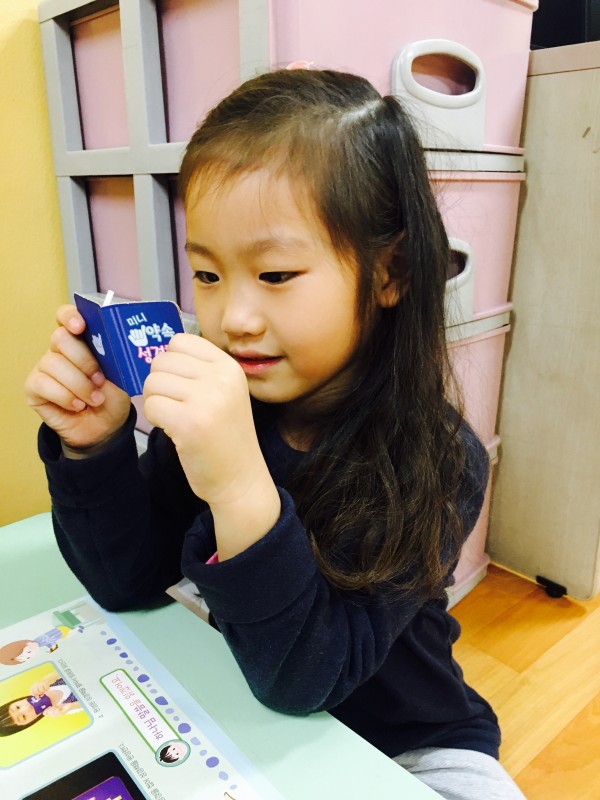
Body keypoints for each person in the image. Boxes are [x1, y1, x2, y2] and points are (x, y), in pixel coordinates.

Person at [25, 68, 525, 799]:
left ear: (388, 274)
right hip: (239, 717)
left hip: (406, 743)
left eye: (277, 274)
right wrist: (94, 446)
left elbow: (308, 677)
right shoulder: (228, 408)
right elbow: (126, 582)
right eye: (207, 275)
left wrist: (236, 484)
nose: (233, 318)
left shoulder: (441, 457)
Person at [0, 670, 82, 736]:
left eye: (18, 707)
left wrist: (49, 677)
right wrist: (70, 707)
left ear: (16, 701)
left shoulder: (45, 684)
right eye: (24, 717)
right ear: (30, 722)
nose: (27, 708)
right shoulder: (64, 710)